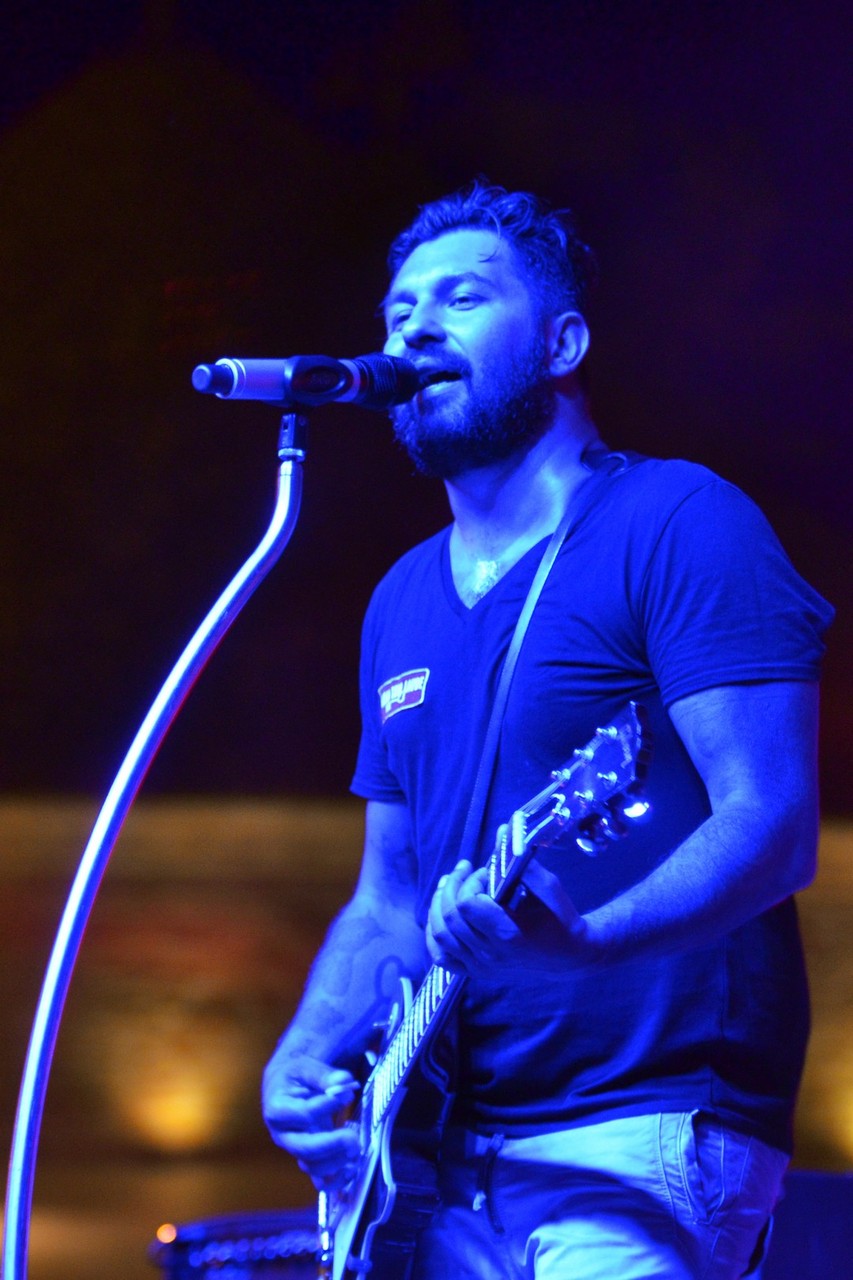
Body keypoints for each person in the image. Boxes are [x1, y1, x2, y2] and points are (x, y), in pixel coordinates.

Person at [262, 181, 833, 1279]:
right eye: (398, 311)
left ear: (562, 343)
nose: (414, 330)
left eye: (462, 298)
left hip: (643, 1127)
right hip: (443, 1155)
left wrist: (587, 938)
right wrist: (307, 1046)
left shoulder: (678, 521)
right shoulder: (401, 597)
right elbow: (391, 895)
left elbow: (771, 825)